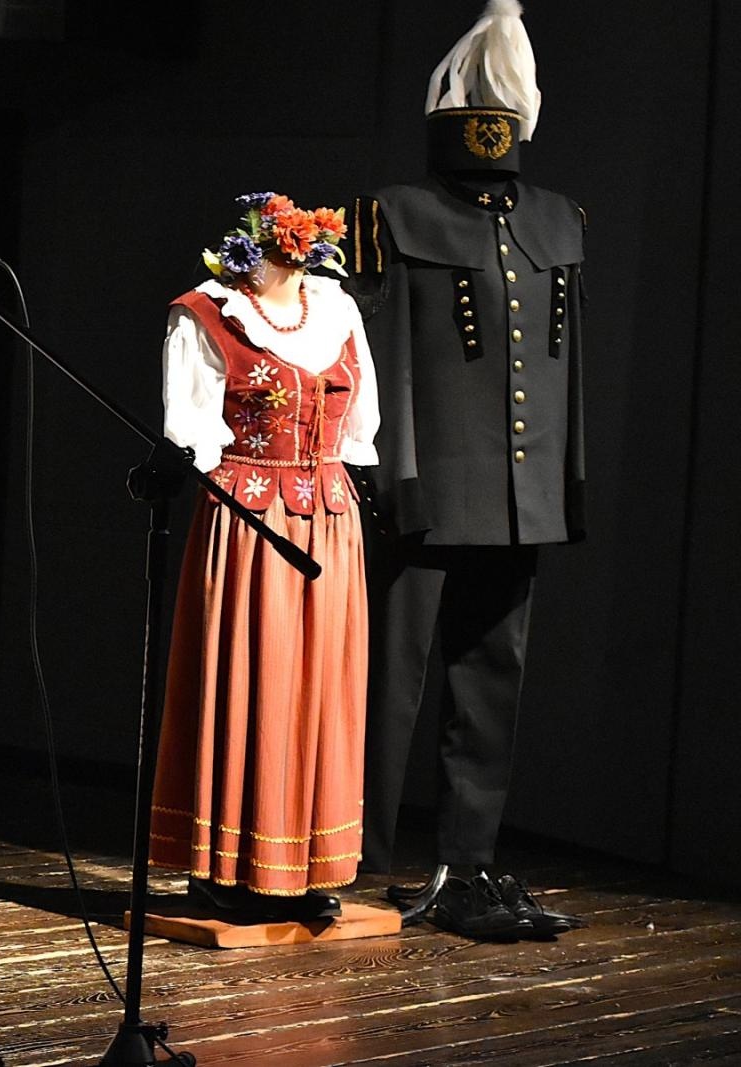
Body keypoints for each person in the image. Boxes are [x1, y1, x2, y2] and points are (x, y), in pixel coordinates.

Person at [348, 0, 587, 942]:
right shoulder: (391, 216)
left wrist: (562, 485)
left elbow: (565, 368)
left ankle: (467, 863)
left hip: (521, 499)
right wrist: (377, 474)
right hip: (421, 488)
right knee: (387, 688)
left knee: (492, 682)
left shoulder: (562, 219)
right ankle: (350, 862)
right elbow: (369, 352)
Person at [149, 193, 379, 923]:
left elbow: (360, 426)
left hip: (330, 521)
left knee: (319, 687)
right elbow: (187, 427)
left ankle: (308, 862)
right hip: (250, 515)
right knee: (251, 675)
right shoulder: (208, 312)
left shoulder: (338, 311)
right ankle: (227, 866)